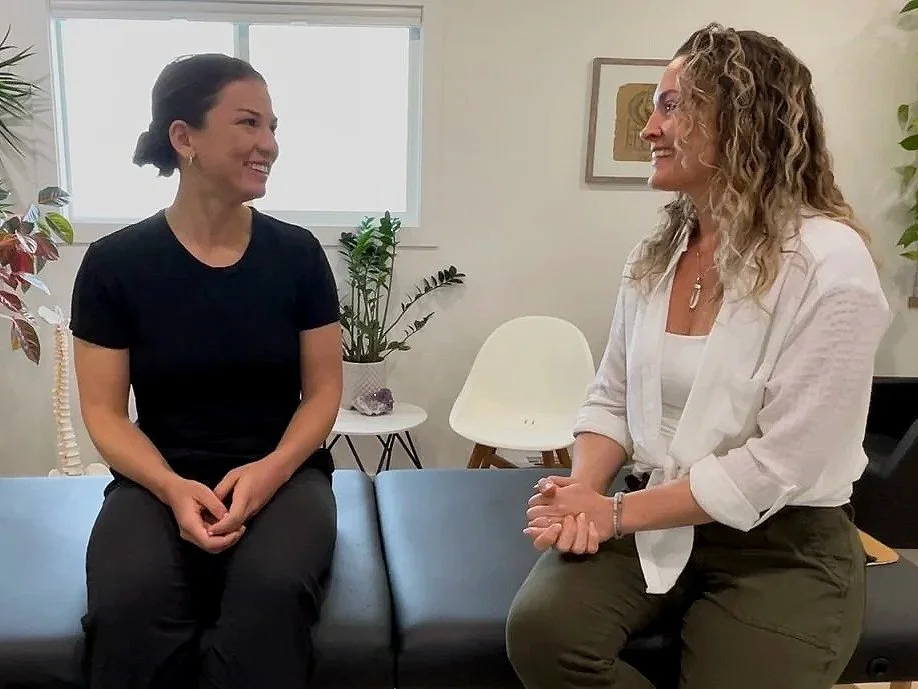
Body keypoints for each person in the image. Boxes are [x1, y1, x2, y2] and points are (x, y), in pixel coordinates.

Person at [506, 23, 891, 689]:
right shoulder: (656, 256)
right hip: (656, 508)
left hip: (783, 543)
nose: (649, 129)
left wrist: (616, 514)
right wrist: (584, 491)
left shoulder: (830, 263)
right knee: (544, 635)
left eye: (672, 105)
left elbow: (780, 464)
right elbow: (610, 398)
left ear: (743, 122)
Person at [70, 53, 342, 689]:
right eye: (248, 124)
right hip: (156, 475)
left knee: (270, 596)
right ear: (184, 137)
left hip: (284, 470)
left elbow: (324, 391)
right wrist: (170, 486)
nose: (268, 145)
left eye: (273, 127)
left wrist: (271, 471)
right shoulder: (116, 264)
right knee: (128, 603)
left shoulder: (298, 256)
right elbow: (105, 412)